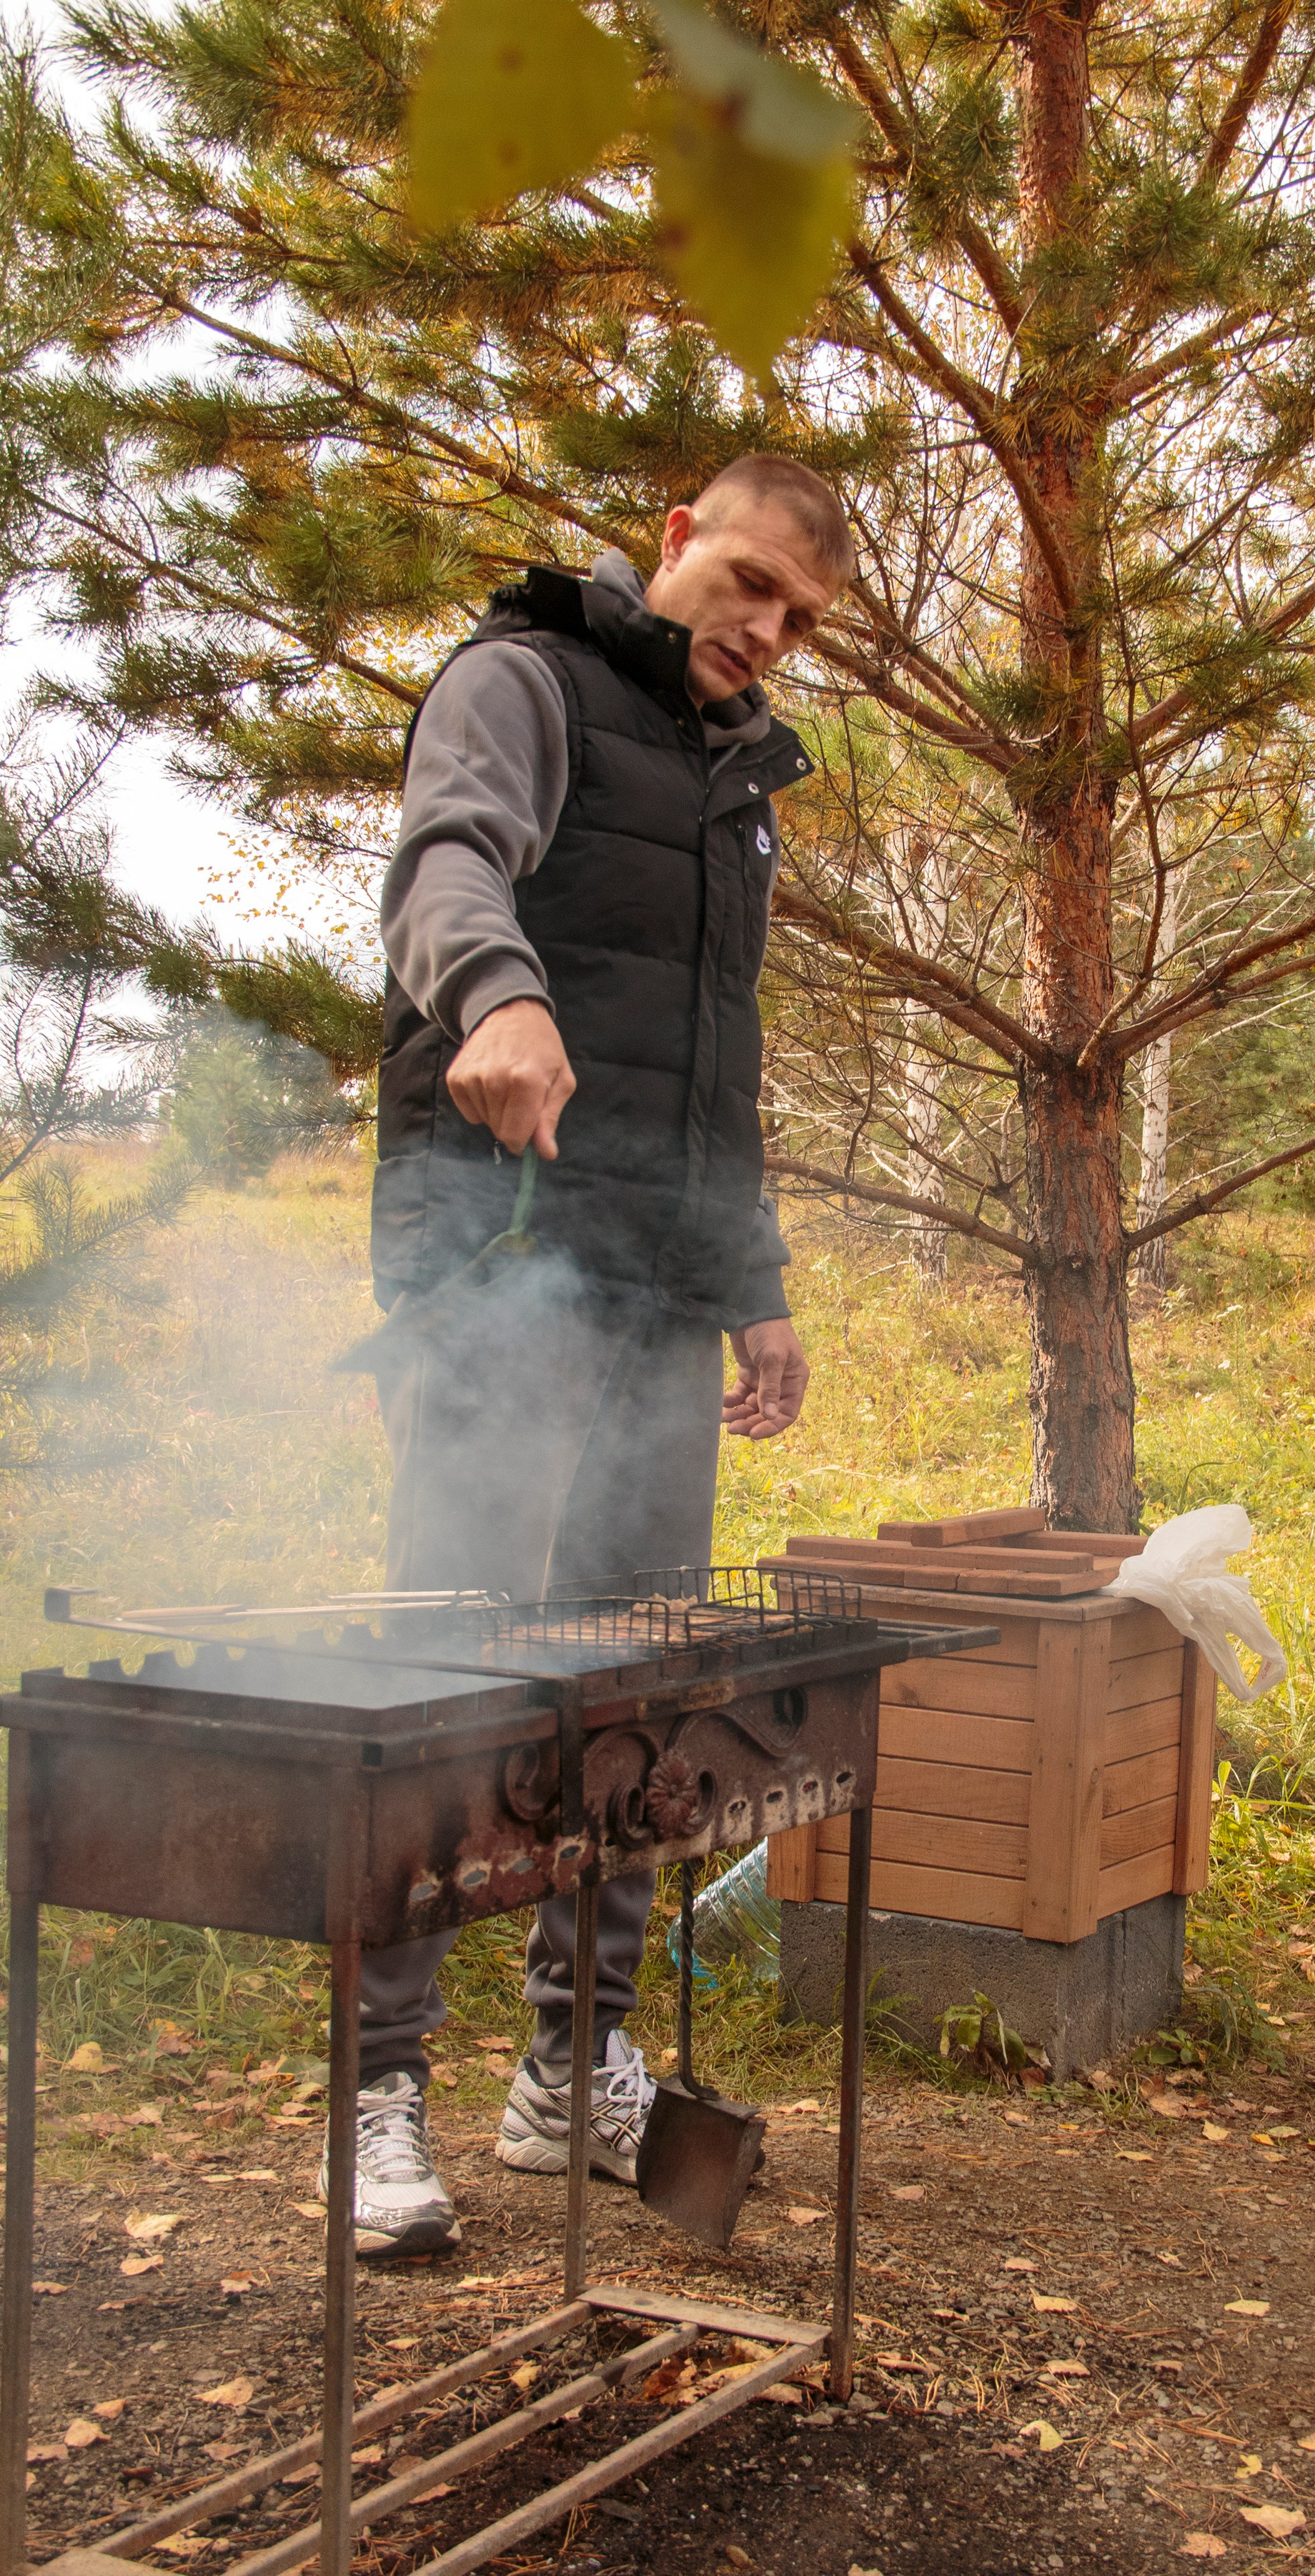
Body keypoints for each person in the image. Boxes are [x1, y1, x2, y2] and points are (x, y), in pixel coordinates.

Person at [324, 454, 853, 2255]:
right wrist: (497, 989)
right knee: (447, 1674)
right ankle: (377, 2092)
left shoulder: (737, 789)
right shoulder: (522, 683)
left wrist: (753, 1279)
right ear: (678, 544)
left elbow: (718, 1079)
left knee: (638, 1692)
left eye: (801, 620)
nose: (766, 633)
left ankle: (574, 2062)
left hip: (652, 1292)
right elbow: (447, 858)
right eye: (754, 583)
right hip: (497, 1265)